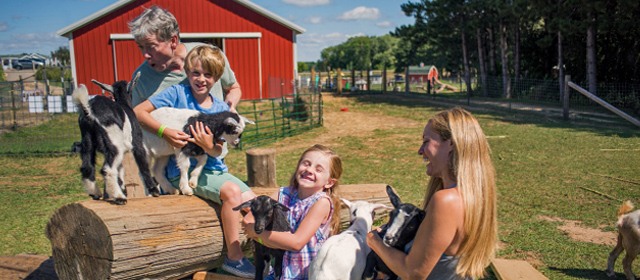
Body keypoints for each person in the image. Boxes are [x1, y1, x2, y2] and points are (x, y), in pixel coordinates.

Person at [133, 45, 257, 279]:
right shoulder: (176, 93)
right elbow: (139, 111)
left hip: (215, 170)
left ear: (217, 78)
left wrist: (209, 145)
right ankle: (234, 258)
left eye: (208, 75)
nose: (201, 79)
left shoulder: (221, 108)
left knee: (257, 203)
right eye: (195, 73)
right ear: (187, 72)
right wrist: (164, 131)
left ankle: (265, 255)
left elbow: (219, 149)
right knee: (232, 192)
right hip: (181, 169)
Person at [366, 107, 497, 280]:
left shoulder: (446, 201)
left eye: (426, 141)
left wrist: (373, 240)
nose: (420, 151)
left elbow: (414, 272)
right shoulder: (473, 195)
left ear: (451, 143)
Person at [241, 144, 343, 280]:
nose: (310, 170)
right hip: (280, 272)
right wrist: (261, 234)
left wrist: (259, 233)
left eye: (319, 170)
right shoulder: (283, 194)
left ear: (329, 182)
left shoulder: (321, 202)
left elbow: (296, 243)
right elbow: (249, 220)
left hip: (307, 275)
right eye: (306, 164)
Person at [127, 6, 241, 110]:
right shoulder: (140, 78)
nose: (145, 54)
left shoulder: (210, 57)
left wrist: (229, 110)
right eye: (141, 47)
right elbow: (137, 119)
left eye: (151, 46)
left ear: (173, 41)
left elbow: (232, 88)